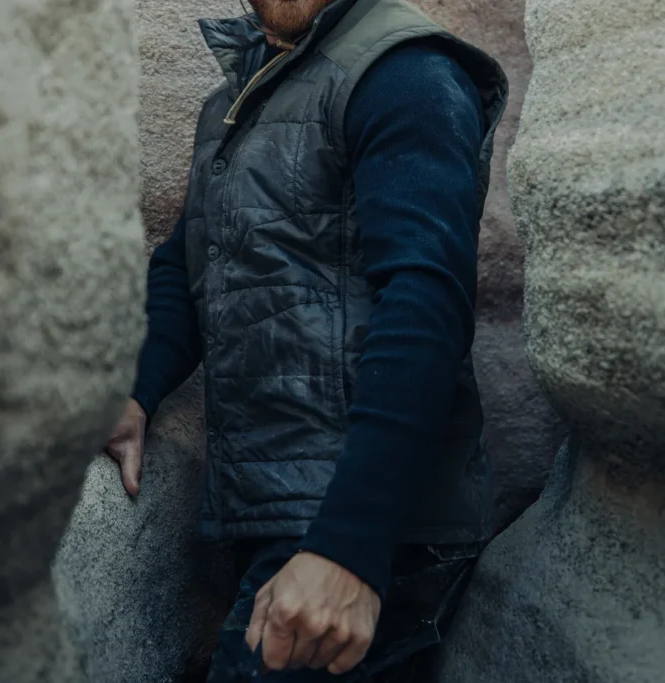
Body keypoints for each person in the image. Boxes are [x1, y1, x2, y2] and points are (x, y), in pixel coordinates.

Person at [104, 0, 507, 679]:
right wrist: (135, 391)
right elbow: (187, 263)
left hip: (372, 530)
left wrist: (351, 548)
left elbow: (425, 308)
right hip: (283, 517)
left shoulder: (405, 70)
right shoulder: (240, 96)